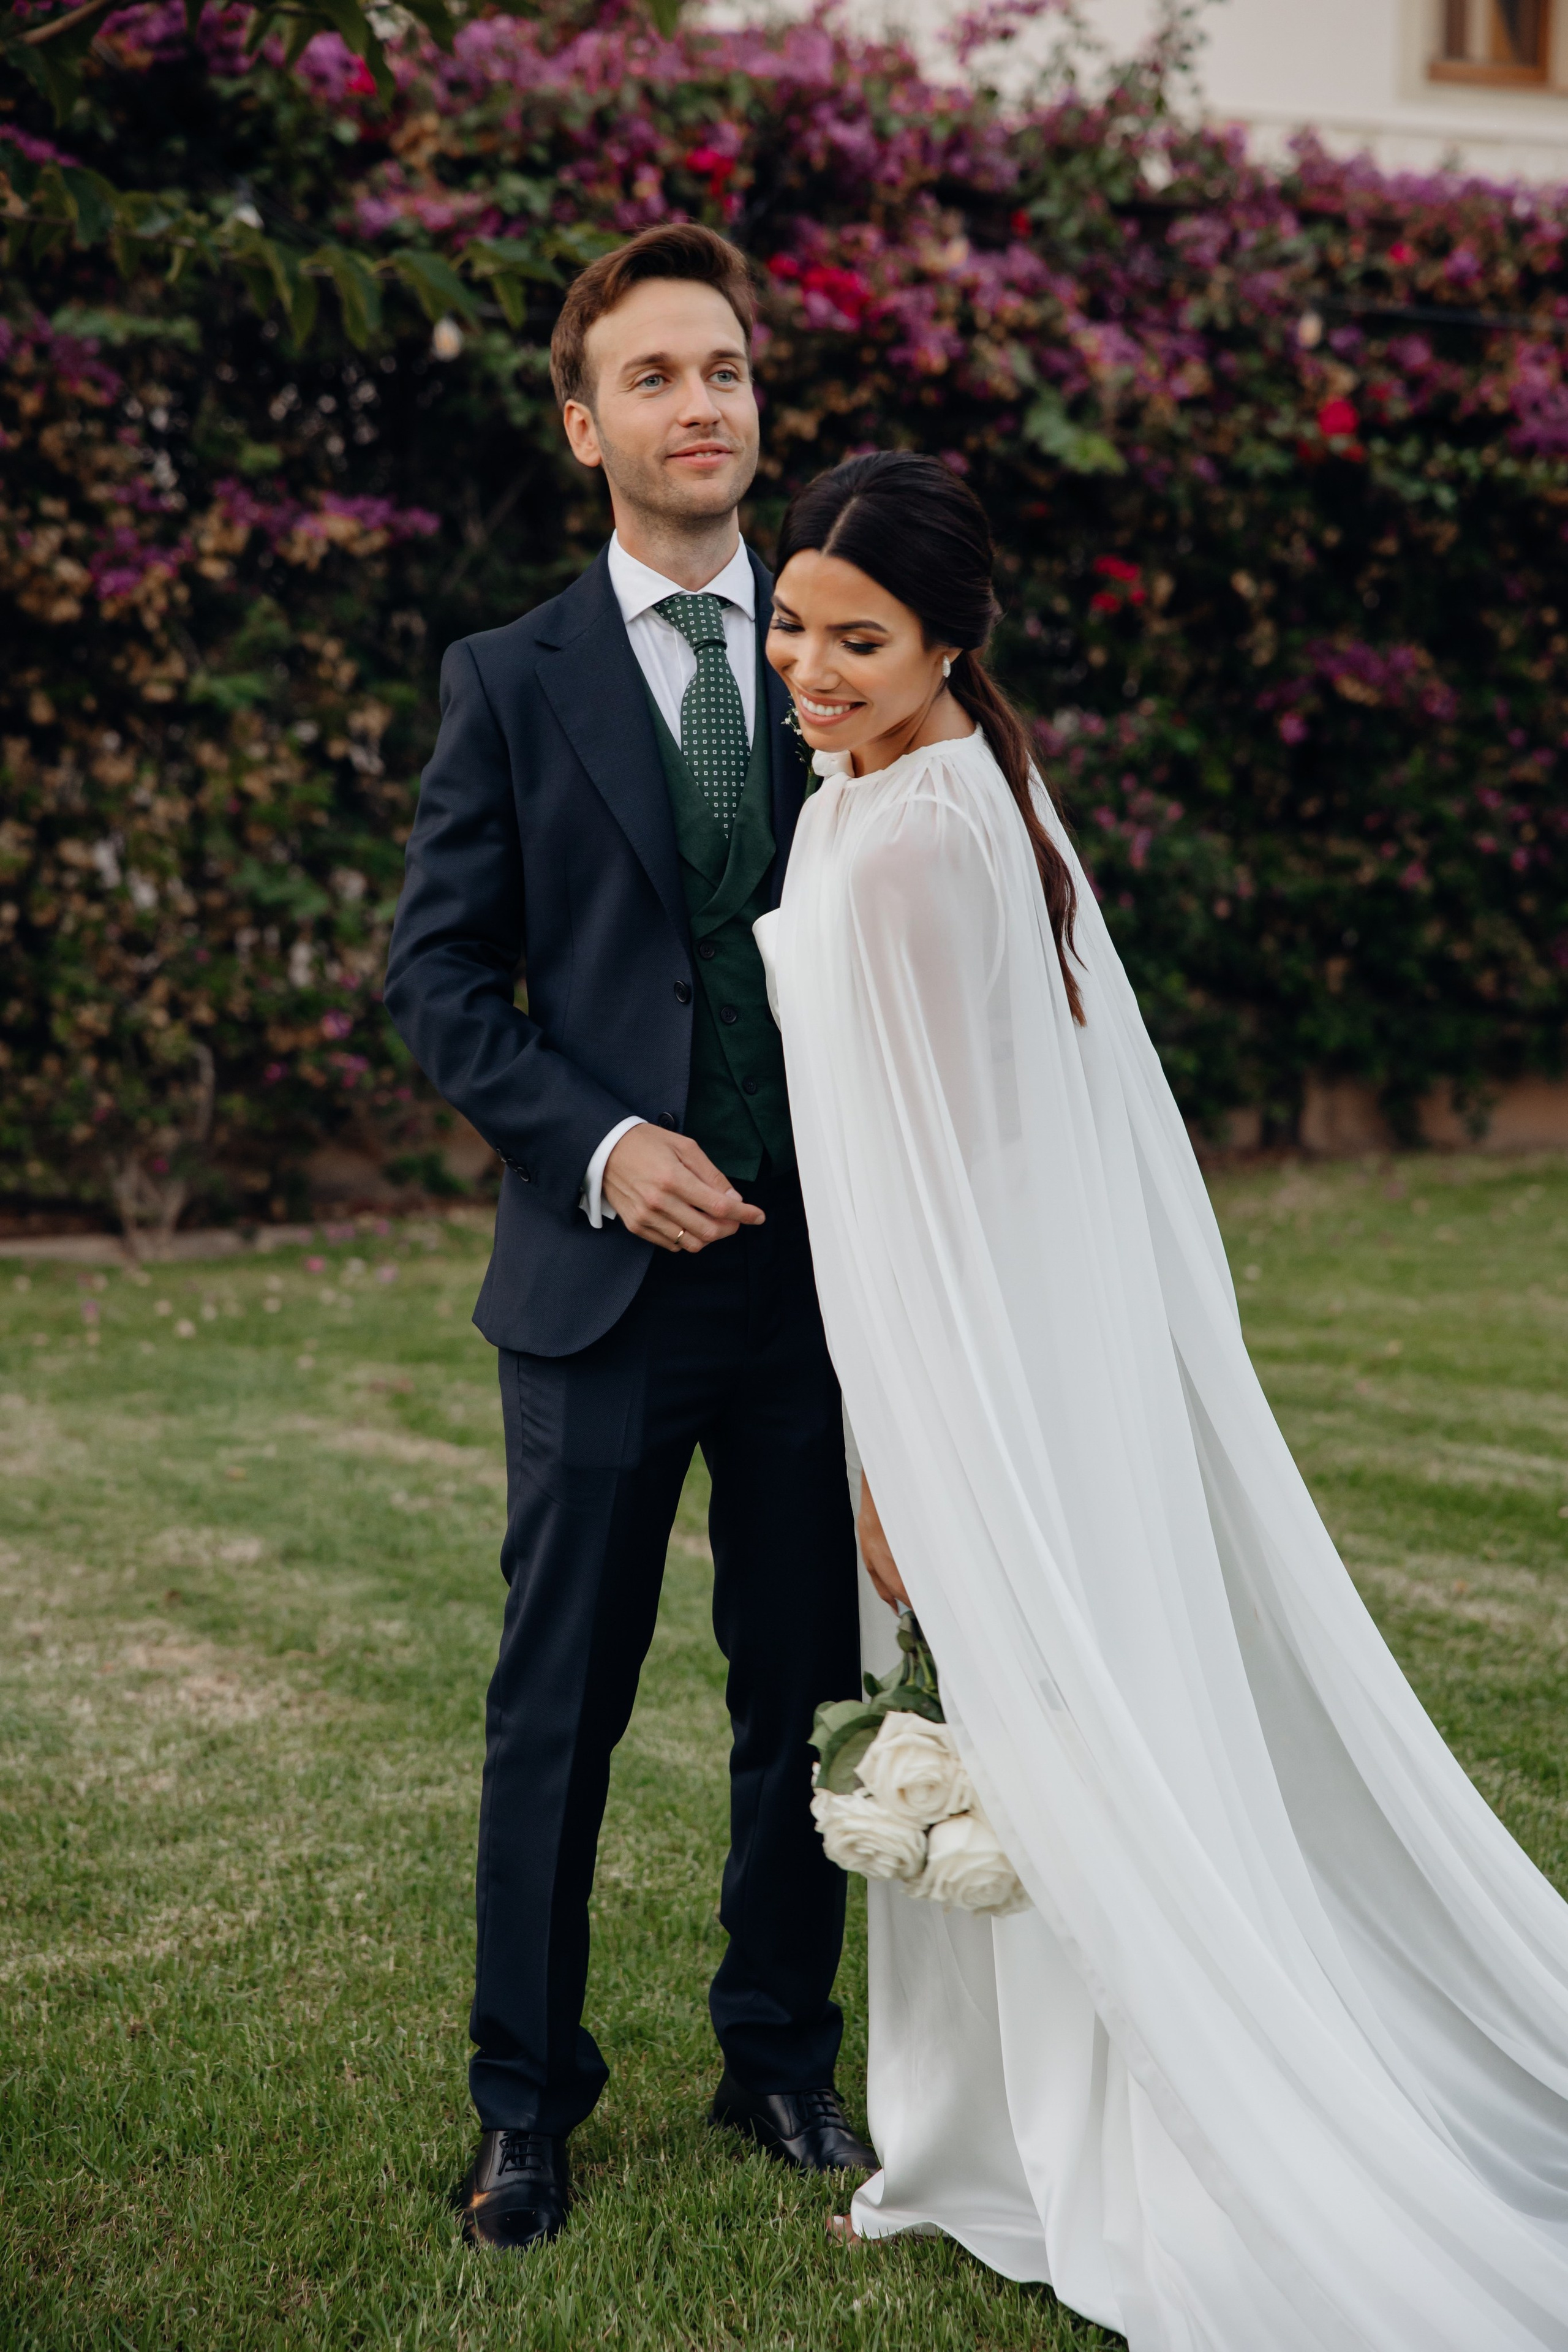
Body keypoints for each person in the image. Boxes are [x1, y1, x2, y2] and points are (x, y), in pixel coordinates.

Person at [753, 450, 1568, 2349]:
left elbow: (945, 1181)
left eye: (859, 641)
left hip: (969, 1367)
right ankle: (985, 2142)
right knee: (1039, 1742)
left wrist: (899, 1454)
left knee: (1051, 1755)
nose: (810, 668)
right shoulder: (924, 782)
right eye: (793, 627)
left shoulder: (911, 840)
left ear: (949, 642)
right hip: (1005, 1346)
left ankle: (1094, 2158)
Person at [383, 225, 872, 2256]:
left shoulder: (846, 655)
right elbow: (438, 980)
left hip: (824, 1279)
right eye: (656, 375)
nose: (702, 405)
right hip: (601, 1285)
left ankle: (779, 2053)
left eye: (728, 370)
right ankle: (526, 2105)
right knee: (559, 1704)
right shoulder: (511, 680)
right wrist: (599, 1148)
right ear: (586, 426)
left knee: (809, 1690)